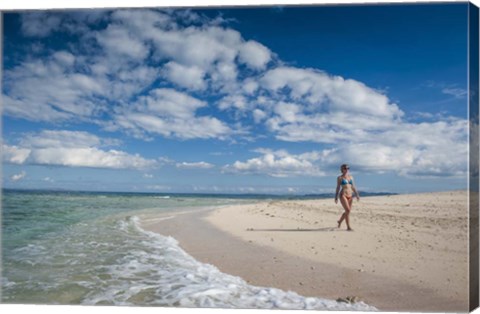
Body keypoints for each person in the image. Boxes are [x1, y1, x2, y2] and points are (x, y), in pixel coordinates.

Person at [335, 164, 360, 231]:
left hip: (350, 195)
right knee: (348, 210)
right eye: (345, 168)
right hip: (343, 195)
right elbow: (338, 187)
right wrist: (336, 197)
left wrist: (357, 194)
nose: (347, 170)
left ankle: (340, 221)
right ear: (342, 169)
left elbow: (353, 186)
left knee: (347, 211)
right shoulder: (340, 178)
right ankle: (348, 227)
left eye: (348, 168)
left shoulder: (351, 177)